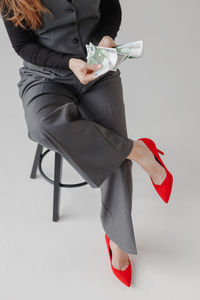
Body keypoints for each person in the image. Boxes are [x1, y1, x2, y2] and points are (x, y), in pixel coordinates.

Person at [0, 0, 173, 287]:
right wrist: (68, 62)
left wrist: (106, 37)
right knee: (42, 124)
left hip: (97, 70)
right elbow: (23, 46)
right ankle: (137, 150)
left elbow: (111, 8)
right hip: (46, 75)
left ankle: (118, 242)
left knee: (109, 132)